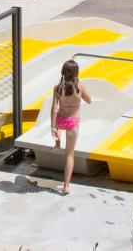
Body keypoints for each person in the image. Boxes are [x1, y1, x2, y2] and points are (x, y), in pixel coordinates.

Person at [50, 60, 91, 195]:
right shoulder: (80, 87)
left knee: (58, 123)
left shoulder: (57, 88)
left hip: (60, 120)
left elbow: (54, 109)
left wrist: (53, 127)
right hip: (72, 122)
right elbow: (89, 101)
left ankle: (57, 142)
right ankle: (66, 186)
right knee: (69, 154)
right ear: (76, 73)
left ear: (62, 72)